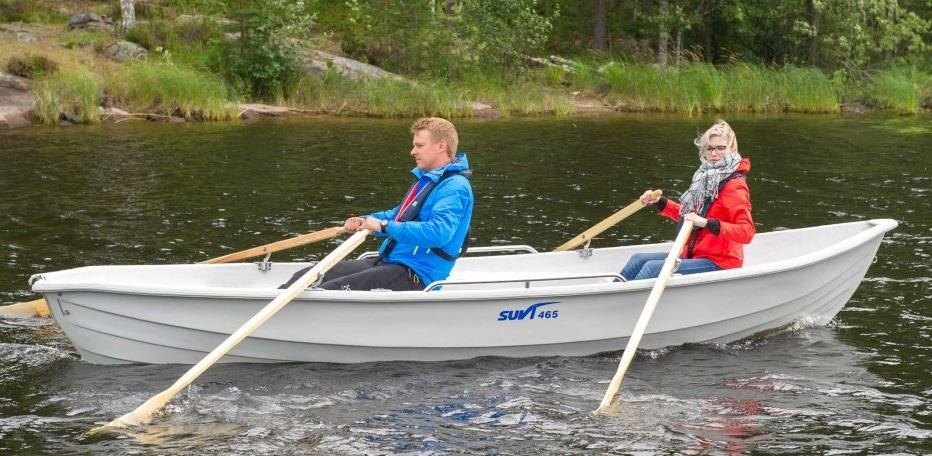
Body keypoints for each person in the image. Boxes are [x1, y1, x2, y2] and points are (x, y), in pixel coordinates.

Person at [281, 117, 474, 291]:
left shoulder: (454, 187)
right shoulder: (428, 180)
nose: (413, 151)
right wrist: (366, 220)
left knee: (329, 289)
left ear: (441, 146)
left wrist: (383, 226)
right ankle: (273, 303)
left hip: (416, 274)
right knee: (307, 276)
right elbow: (399, 216)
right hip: (388, 262)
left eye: (419, 145)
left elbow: (438, 233)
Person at [620, 120, 754, 281]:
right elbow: (688, 216)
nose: (714, 153)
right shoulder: (704, 177)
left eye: (720, 148)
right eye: (709, 148)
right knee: (638, 260)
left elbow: (747, 232)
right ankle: (612, 293)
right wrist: (660, 202)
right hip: (694, 254)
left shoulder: (734, 185)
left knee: (652, 268)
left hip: (720, 262)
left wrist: (706, 223)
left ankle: (626, 297)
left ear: (732, 149)